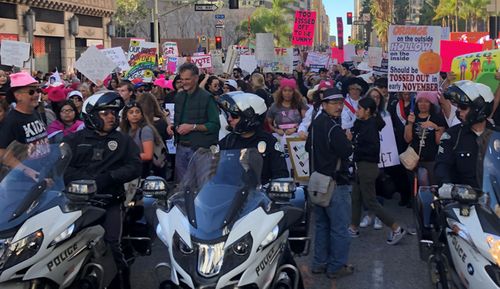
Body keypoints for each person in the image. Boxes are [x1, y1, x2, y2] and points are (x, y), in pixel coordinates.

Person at [63, 91, 141, 289]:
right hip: (75, 203)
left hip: (109, 202)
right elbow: (60, 166)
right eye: (105, 113)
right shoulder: (74, 139)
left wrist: (108, 178)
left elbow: (134, 166)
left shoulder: (123, 141)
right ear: (91, 114)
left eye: (113, 113)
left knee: (113, 244)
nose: (111, 117)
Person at [306, 88, 354, 279]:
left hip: (317, 180)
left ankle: (319, 263)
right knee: (339, 227)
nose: (338, 107)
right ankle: (336, 266)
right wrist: (348, 140)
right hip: (334, 182)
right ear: (324, 105)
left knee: (322, 224)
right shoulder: (333, 127)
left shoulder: (316, 123)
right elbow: (346, 151)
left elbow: (308, 147)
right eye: (333, 103)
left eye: (340, 103)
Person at [349, 97, 407, 245]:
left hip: (367, 167)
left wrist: (355, 145)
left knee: (371, 201)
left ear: (367, 111)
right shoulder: (362, 123)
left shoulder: (370, 127)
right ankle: (353, 227)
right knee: (356, 197)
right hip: (360, 166)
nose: (357, 111)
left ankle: (396, 227)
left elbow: (372, 149)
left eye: (359, 108)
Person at [435, 80, 495, 188]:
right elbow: (442, 166)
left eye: (463, 107)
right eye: (457, 107)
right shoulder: (452, 136)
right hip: (464, 200)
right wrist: (446, 186)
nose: (458, 111)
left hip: (495, 199)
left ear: (480, 108)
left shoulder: (497, 135)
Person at [218, 92, 288, 183]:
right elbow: (215, 174)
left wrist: (273, 189)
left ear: (249, 117)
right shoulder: (227, 141)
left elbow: (281, 175)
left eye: (234, 116)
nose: (229, 119)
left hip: (261, 194)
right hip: (231, 194)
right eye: (229, 115)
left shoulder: (269, 142)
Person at [168, 63, 220, 183]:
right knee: (183, 188)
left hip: (200, 150)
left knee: (202, 186)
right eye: (182, 79)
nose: (184, 82)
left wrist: (193, 127)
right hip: (181, 148)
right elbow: (180, 120)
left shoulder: (207, 98)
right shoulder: (179, 97)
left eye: (187, 79)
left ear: (196, 78)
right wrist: (172, 127)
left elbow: (215, 125)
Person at [0, 72, 48, 180]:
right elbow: (2, 153)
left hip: (42, 174)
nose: (36, 94)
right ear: (18, 96)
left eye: (37, 90)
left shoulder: (35, 113)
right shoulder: (11, 121)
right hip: (23, 182)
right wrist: (26, 170)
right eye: (31, 91)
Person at [404, 92, 446, 185]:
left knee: (432, 185)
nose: (423, 104)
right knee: (414, 186)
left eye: (426, 101)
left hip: (431, 159)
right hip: (414, 159)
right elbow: (407, 139)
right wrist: (410, 124)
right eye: (420, 101)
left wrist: (435, 127)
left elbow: (439, 141)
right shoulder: (412, 117)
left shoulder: (438, 118)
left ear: (431, 104)